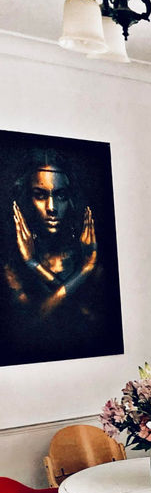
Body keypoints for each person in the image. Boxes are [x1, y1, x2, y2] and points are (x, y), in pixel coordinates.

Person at [0, 148, 115, 366]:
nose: (52, 208)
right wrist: (84, 271)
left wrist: (35, 265)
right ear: (25, 200)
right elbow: (32, 323)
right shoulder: (10, 268)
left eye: (60, 195)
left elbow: (91, 321)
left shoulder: (93, 263)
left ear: (71, 200)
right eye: (40, 195)